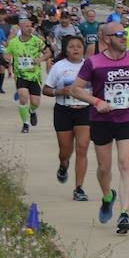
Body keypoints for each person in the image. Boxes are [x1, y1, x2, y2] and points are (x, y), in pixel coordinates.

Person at [69, 22, 129, 235]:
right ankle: (107, 196)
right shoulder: (93, 62)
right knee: (104, 169)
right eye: (119, 34)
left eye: (125, 33)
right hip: (101, 120)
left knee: (126, 164)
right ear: (106, 38)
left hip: (128, 118)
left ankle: (124, 214)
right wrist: (96, 102)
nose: (124, 37)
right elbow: (75, 89)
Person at [43, 34, 92, 201]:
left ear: (83, 48)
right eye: (71, 46)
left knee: (82, 148)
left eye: (79, 45)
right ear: (65, 50)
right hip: (63, 111)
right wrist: (60, 91)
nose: (76, 49)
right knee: (65, 152)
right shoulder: (59, 67)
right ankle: (63, 166)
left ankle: (79, 188)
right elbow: (46, 89)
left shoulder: (89, 65)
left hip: (85, 111)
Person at [5, 18, 49, 133]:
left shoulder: (37, 41)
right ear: (20, 28)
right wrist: (7, 57)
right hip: (20, 75)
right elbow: (7, 53)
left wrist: (40, 59)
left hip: (35, 76)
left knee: (35, 103)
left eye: (31, 26)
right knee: (23, 98)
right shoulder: (14, 42)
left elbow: (48, 52)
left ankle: (32, 112)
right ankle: (25, 123)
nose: (30, 29)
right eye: (27, 26)